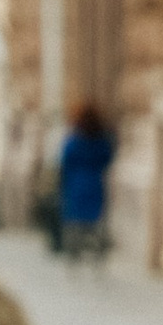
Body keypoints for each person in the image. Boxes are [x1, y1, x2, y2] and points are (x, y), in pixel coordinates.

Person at [56, 101, 115, 261]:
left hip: (76, 183)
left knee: (74, 222)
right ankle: (96, 253)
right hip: (94, 182)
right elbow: (107, 158)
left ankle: (74, 254)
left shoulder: (74, 141)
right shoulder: (101, 141)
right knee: (95, 221)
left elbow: (65, 160)